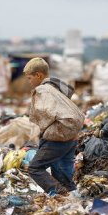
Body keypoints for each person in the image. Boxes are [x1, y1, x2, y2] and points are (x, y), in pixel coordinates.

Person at [24, 57, 85, 197]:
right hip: (72, 135)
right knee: (61, 171)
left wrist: (42, 135)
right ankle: (73, 196)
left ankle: (58, 193)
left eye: (29, 78)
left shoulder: (42, 90)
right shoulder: (56, 87)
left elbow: (44, 116)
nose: (29, 82)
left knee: (34, 168)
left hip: (58, 135)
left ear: (38, 75)